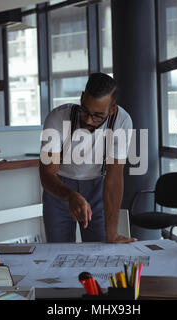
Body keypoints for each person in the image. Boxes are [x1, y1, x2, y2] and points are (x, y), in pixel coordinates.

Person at [40, 73, 136, 243]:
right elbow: (47, 174)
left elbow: (114, 176)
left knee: (100, 250)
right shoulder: (57, 118)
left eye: (98, 116)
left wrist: (112, 234)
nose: (89, 121)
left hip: (98, 188)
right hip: (60, 188)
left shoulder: (121, 121)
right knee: (59, 253)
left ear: (112, 109)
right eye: (85, 111)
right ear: (82, 97)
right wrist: (70, 195)